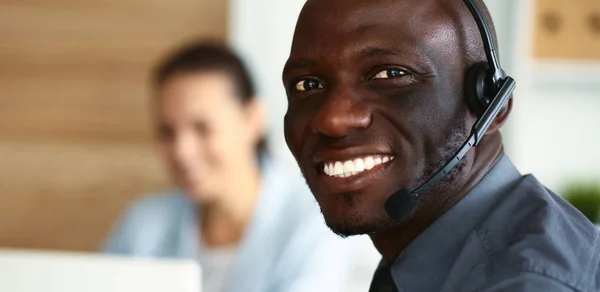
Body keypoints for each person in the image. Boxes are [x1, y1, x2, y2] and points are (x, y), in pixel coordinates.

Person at [281, 0, 600, 291]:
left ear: (491, 105)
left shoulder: (526, 283)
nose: (332, 119)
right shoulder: (422, 257)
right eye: (308, 84)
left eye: (391, 74)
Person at [103, 41, 379, 292]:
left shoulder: (316, 223)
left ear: (253, 119)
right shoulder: (143, 223)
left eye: (203, 128)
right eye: (167, 132)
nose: (181, 152)